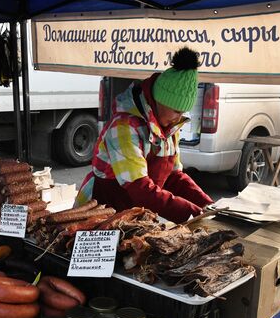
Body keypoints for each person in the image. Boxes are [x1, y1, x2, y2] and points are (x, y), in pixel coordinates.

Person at [76, 47, 213, 223]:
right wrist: (192, 212)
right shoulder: (124, 126)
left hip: (135, 215)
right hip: (102, 213)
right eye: (176, 111)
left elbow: (173, 177)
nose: (178, 118)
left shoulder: (169, 126)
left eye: (183, 112)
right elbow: (140, 188)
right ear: (159, 100)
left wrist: (208, 206)